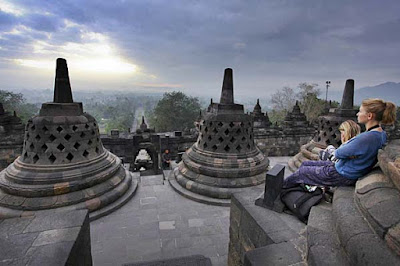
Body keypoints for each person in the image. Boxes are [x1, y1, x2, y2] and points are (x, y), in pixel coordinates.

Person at [283, 98, 397, 188]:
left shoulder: (367, 137)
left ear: (369, 116)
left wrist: (337, 149)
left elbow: (339, 153)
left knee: (302, 172)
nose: (357, 114)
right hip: (345, 169)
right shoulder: (380, 134)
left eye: (360, 111)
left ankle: (278, 193)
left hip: (342, 174)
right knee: (304, 164)